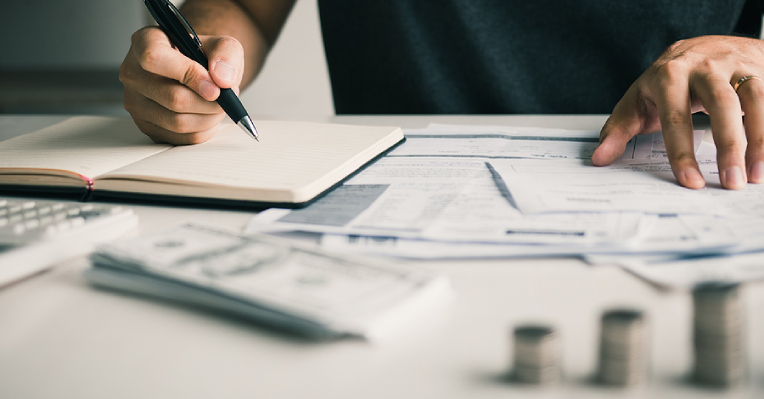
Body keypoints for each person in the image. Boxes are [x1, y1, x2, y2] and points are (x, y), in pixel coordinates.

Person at [120, 0, 764, 190]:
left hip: (692, 184)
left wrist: (753, 54)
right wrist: (201, 55)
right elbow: (244, 8)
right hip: (379, 195)